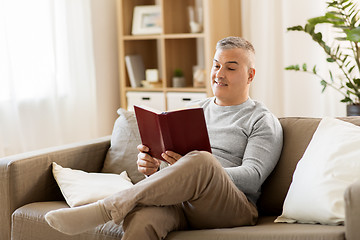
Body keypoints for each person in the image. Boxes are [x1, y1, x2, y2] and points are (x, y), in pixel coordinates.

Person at [45, 36, 283, 240]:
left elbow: (253, 178)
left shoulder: (262, 119)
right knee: (143, 218)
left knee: (202, 160)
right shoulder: (192, 110)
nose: (219, 74)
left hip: (231, 207)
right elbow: (176, 166)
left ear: (250, 75)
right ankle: (121, 206)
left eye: (230, 68)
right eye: (216, 65)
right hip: (183, 202)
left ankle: (109, 207)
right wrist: (155, 168)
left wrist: (200, 171)